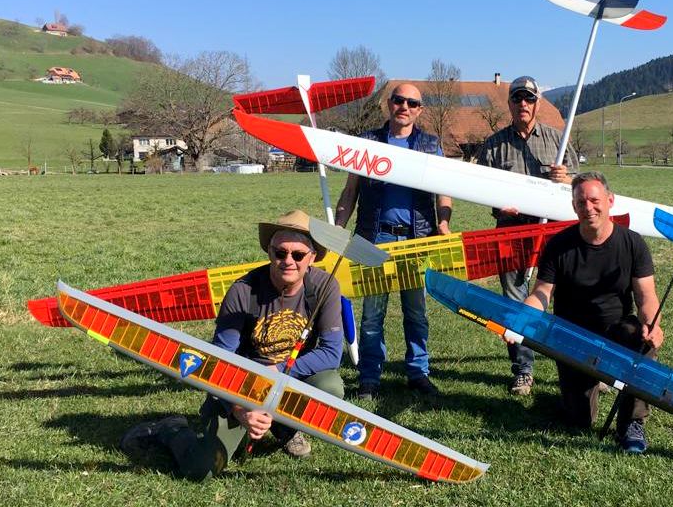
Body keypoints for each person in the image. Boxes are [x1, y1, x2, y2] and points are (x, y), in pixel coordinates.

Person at [119, 210, 346, 481]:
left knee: (330, 386)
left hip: (288, 379)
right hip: (240, 384)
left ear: (312, 257)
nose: (288, 261)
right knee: (201, 469)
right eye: (280, 253)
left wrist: (276, 373)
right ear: (269, 252)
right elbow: (219, 361)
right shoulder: (243, 290)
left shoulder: (325, 287)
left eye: (298, 255)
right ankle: (171, 429)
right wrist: (240, 409)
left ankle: (284, 427)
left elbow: (331, 353)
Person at [522, 171, 662, 453]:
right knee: (580, 420)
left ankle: (631, 423)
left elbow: (646, 295)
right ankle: (578, 392)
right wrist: (523, 316)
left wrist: (652, 323)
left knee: (641, 340)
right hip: (572, 334)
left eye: (595, 200)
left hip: (617, 329)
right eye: (581, 202)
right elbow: (542, 293)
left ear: (610, 201)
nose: (588, 208)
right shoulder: (559, 245)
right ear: (574, 207)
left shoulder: (632, 243)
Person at [334, 83, 452, 400]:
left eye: (412, 103)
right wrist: (338, 228)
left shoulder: (430, 145)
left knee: (416, 312)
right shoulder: (368, 142)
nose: (405, 107)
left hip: (417, 239)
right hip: (375, 237)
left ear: (419, 110)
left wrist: (443, 222)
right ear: (389, 104)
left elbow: (444, 190)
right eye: (399, 100)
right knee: (373, 313)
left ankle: (418, 373)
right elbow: (350, 189)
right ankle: (369, 377)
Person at [475, 75, 576, 396]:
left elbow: (583, 184)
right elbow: (481, 187)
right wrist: (499, 205)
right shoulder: (494, 145)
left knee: (566, 300)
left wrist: (567, 179)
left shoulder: (557, 140)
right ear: (509, 103)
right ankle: (523, 370)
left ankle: (577, 370)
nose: (523, 103)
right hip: (512, 232)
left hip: (553, 233)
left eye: (529, 98)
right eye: (517, 98)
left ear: (537, 103)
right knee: (515, 301)